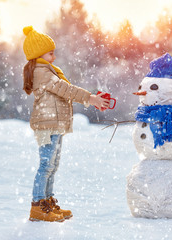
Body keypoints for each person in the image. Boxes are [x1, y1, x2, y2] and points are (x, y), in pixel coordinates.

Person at [22, 26, 109, 222]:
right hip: (47, 125)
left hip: (55, 124)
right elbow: (65, 89)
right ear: (38, 53)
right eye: (50, 52)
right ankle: (38, 205)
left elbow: (64, 90)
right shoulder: (41, 72)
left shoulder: (47, 70)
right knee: (46, 165)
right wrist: (90, 98)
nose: (54, 56)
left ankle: (47, 202)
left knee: (52, 165)